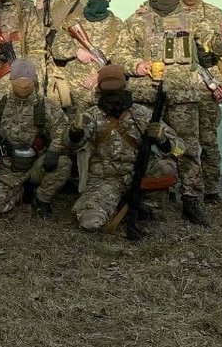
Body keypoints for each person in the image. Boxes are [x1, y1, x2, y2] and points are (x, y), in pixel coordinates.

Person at [118, 0, 222, 225]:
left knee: (186, 148)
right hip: (147, 96)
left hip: (182, 95)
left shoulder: (190, 17)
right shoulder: (137, 20)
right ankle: (147, 199)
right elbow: (119, 54)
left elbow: (210, 44)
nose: (166, 3)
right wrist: (137, 65)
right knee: (146, 148)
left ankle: (191, 199)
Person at [69, 64, 181, 237]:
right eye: (109, 91)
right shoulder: (91, 116)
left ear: (125, 87)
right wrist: (75, 132)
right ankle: (114, 205)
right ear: (100, 90)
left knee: (166, 167)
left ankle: (150, 207)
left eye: (117, 89)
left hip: (138, 173)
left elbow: (180, 148)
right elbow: (72, 146)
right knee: (90, 222)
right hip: (105, 180)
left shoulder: (142, 114)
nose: (114, 95)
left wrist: (162, 140)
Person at [0, 60, 71, 219]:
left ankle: (41, 199)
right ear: (11, 81)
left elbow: (62, 131)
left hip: (35, 165)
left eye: (27, 82)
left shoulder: (46, 106)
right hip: (6, 168)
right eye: (19, 82)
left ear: (34, 80)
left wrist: (54, 150)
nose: (23, 86)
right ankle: (22, 192)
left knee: (63, 163)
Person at [179, 0, 222, 204]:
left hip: (207, 86)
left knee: (208, 141)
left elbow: (221, 54)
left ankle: (210, 189)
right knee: (178, 141)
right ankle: (180, 187)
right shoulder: (169, 11)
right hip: (179, 87)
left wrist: (221, 83)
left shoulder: (213, 13)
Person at [51, 0, 124, 117]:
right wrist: (75, 51)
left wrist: (104, 74)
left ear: (109, 0)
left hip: (103, 91)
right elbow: (56, 48)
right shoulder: (73, 20)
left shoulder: (118, 25)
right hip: (74, 91)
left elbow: (122, 55)